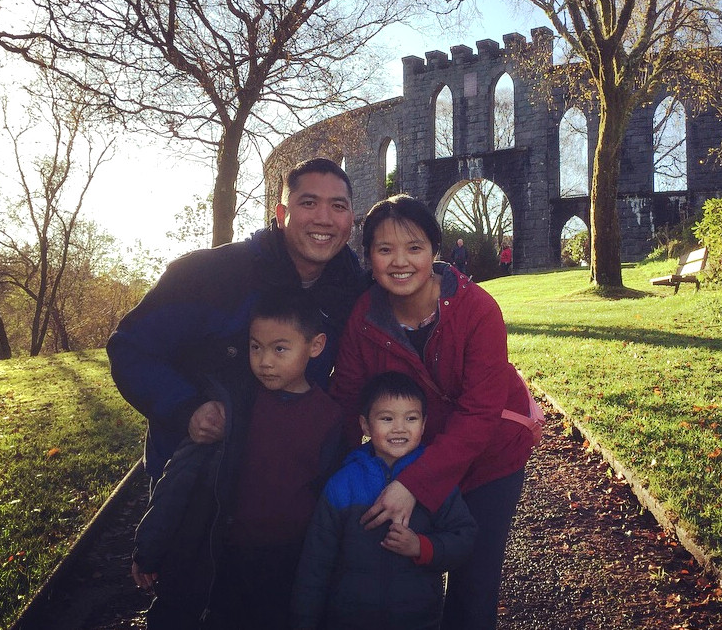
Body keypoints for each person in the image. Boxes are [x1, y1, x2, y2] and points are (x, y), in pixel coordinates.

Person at [329, 195, 539, 630]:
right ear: (368, 258)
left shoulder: (477, 309)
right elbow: (346, 402)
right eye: (384, 249)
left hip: (491, 457)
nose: (399, 261)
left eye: (414, 247)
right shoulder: (363, 318)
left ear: (435, 252)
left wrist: (413, 484)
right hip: (414, 452)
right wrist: (337, 480)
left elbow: (481, 413)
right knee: (400, 570)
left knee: (473, 583)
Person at [107, 157, 367, 488]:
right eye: (309, 203)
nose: (324, 218)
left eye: (338, 206)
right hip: (201, 482)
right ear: (282, 215)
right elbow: (131, 347)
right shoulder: (211, 274)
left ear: (350, 219)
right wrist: (188, 409)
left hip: (292, 482)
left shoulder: (349, 289)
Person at [131, 290, 347, 629]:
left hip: (291, 558)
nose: (265, 361)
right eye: (255, 346)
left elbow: (332, 496)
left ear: (316, 346)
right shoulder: (235, 405)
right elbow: (180, 475)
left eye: (280, 349)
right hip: (226, 553)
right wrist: (149, 547)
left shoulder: (330, 417)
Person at [291, 371, 477, 630]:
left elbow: (464, 537)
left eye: (411, 418)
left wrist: (420, 547)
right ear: (365, 425)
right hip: (348, 619)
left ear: (424, 425)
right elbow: (316, 562)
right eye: (387, 418)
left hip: (417, 619)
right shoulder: (343, 484)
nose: (399, 428)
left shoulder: (435, 482)